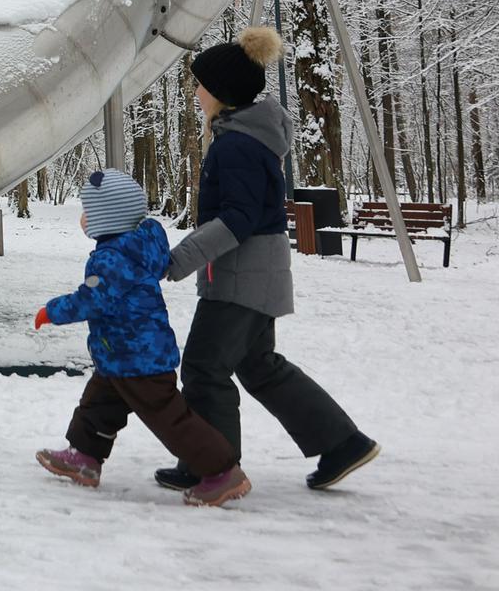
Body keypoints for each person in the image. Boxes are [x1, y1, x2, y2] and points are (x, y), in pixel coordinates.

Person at [159, 26, 379, 492]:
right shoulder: (245, 138)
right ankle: (343, 443)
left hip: (243, 276)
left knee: (203, 367)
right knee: (259, 365)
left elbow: (238, 219)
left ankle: (214, 466)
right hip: (257, 271)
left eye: (201, 85)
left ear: (221, 91)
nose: (196, 92)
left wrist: (177, 259)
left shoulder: (236, 145)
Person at [35, 170, 252, 506]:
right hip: (124, 355)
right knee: (98, 405)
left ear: (107, 216)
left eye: (89, 211)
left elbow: (92, 299)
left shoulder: (111, 259)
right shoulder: (139, 246)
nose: (84, 218)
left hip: (136, 359)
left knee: (170, 420)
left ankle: (223, 471)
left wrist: (52, 311)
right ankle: (84, 458)